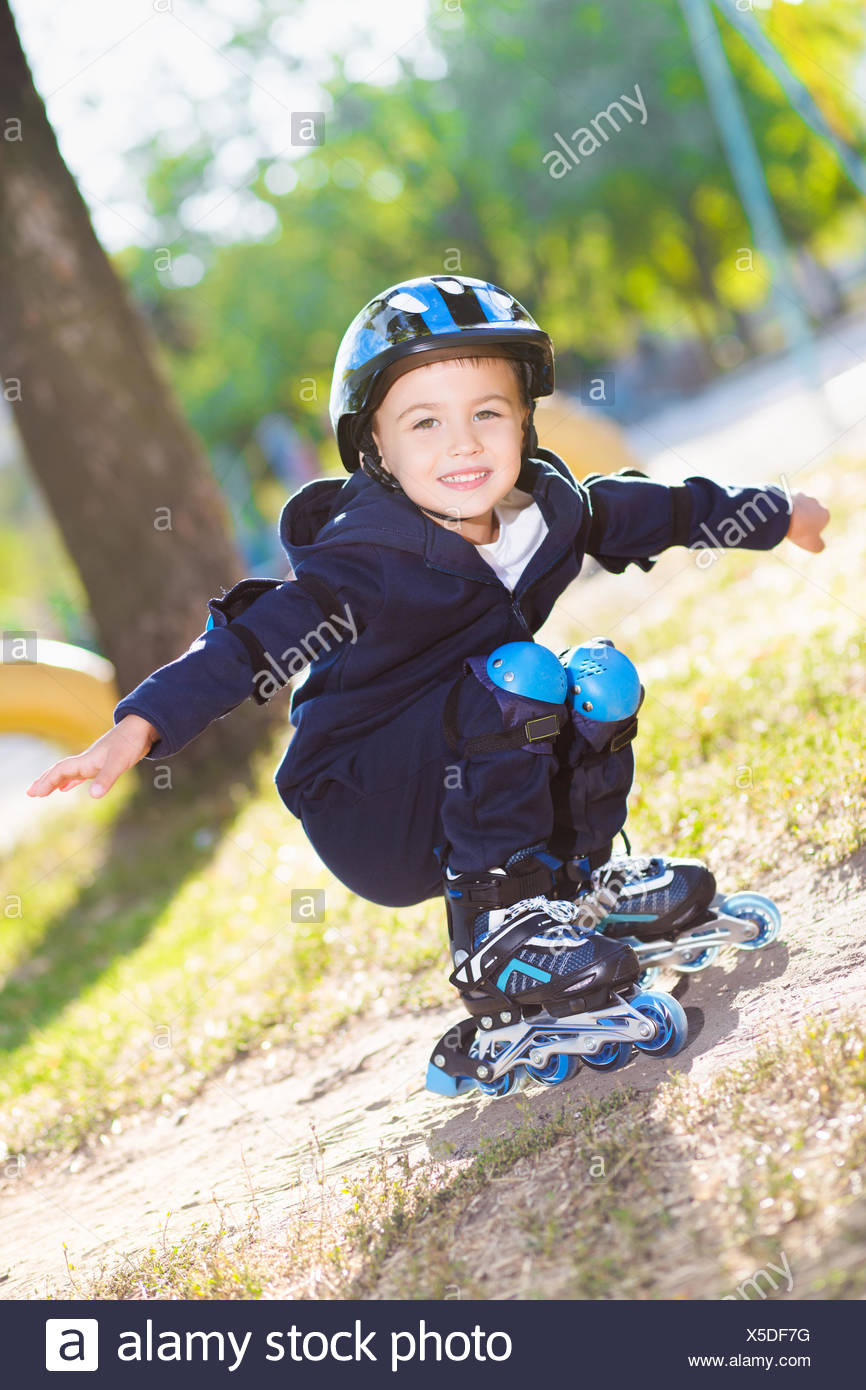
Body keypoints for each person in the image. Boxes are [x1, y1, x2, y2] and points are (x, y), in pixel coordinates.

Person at [26, 273, 830, 1049]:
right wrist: (140, 724)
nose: (464, 444)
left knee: (597, 677)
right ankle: (499, 935)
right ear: (374, 445)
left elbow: (664, 510)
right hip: (369, 797)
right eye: (424, 424)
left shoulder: (549, 515)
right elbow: (252, 639)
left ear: (525, 421)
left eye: (489, 412)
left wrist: (774, 513)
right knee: (520, 677)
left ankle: (579, 889)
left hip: (474, 752)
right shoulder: (362, 562)